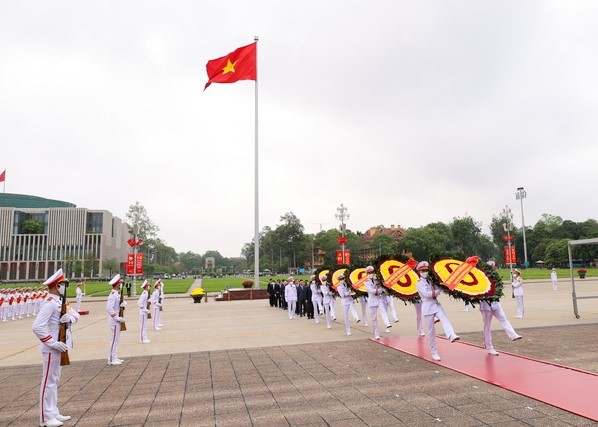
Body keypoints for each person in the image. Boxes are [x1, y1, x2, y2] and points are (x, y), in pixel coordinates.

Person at [32, 268, 80, 427]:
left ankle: (53, 411)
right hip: (53, 347)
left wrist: (70, 318)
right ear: (56, 285)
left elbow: (76, 315)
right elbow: (37, 327)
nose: (66, 286)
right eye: (63, 283)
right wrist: (52, 343)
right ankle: (45, 418)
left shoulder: (61, 301)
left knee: (54, 380)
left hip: (61, 344)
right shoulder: (49, 303)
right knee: (48, 381)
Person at [415, 261, 460, 361]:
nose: (425, 272)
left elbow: (439, 288)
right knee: (431, 331)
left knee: (444, 318)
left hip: (435, 304)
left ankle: (451, 335)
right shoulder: (419, 283)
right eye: (423, 271)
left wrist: (437, 290)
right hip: (427, 307)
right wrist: (436, 292)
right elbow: (426, 294)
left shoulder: (431, 280)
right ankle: (434, 352)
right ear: (419, 272)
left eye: (426, 270)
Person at [480, 260, 522, 355]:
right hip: (486, 304)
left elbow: (498, 288)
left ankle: (512, 335)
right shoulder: (482, 278)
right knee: (487, 326)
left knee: (503, 318)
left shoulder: (495, 278)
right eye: (491, 267)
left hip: (495, 302)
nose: (493, 268)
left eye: (493, 267)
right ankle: (489, 347)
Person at [364, 266, 392, 340]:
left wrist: (383, 290)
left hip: (379, 299)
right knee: (374, 318)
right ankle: (376, 334)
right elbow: (371, 291)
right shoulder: (366, 282)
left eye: (372, 272)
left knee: (384, 310)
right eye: (369, 273)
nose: (371, 274)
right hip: (372, 300)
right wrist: (380, 290)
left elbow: (382, 287)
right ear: (367, 274)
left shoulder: (377, 280)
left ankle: (387, 323)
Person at [106, 274, 127, 365]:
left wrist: (124, 304)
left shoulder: (117, 294)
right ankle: (111, 359)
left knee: (116, 340)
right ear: (117, 284)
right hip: (115, 320)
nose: (121, 285)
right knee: (114, 340)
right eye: (120, 283)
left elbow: (119, 305)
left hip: (118, 319)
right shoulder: (113, 295)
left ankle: (115, 357)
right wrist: (116, 317)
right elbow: (109, 308)